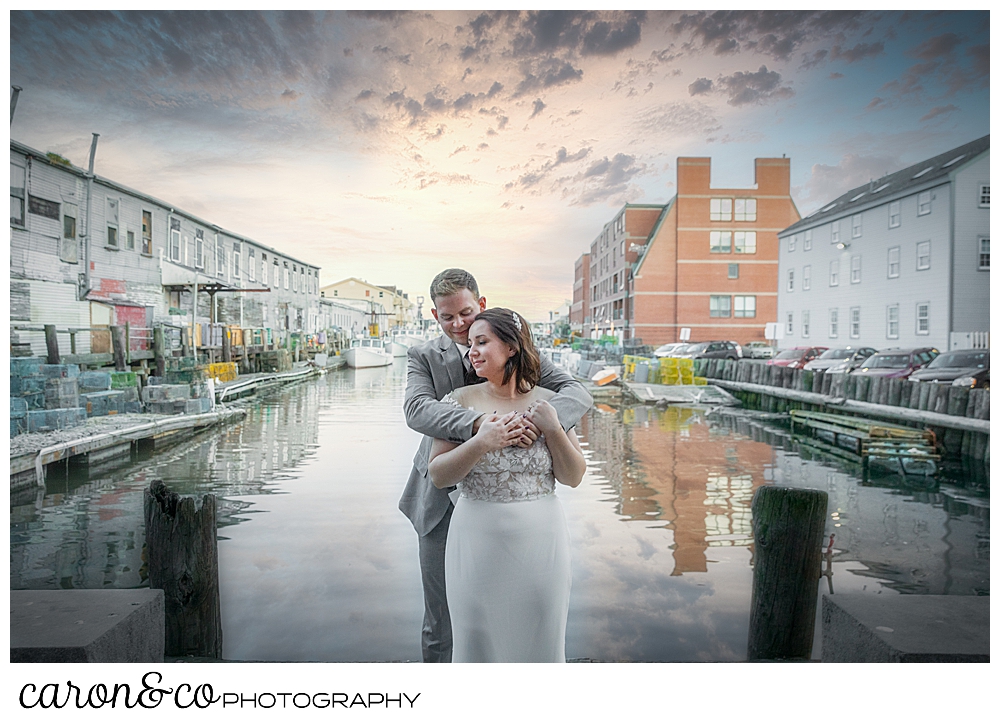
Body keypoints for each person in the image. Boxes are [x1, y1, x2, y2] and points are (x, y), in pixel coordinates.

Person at [399, 269, 592, 663]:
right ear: (435, 315)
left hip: (530, 518)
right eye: (446, 317)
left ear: (481, 304)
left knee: (532, 618)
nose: (458, 325)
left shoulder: (523, 359)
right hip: (442, 505)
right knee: (444, 620)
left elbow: (576, 393)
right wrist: (479, 424)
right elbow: (417, 410)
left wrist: (544, 425)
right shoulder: (424, 356)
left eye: (466, 314)